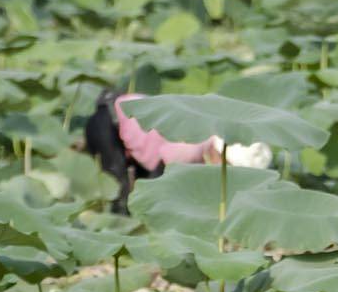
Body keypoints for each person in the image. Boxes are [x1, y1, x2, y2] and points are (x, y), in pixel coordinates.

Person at [83, 90, 271, 213]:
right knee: (121, 191)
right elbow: (158, 174)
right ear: (221, 155)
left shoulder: (205, 135)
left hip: (126, 123)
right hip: (107, 122)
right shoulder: (191, 148)